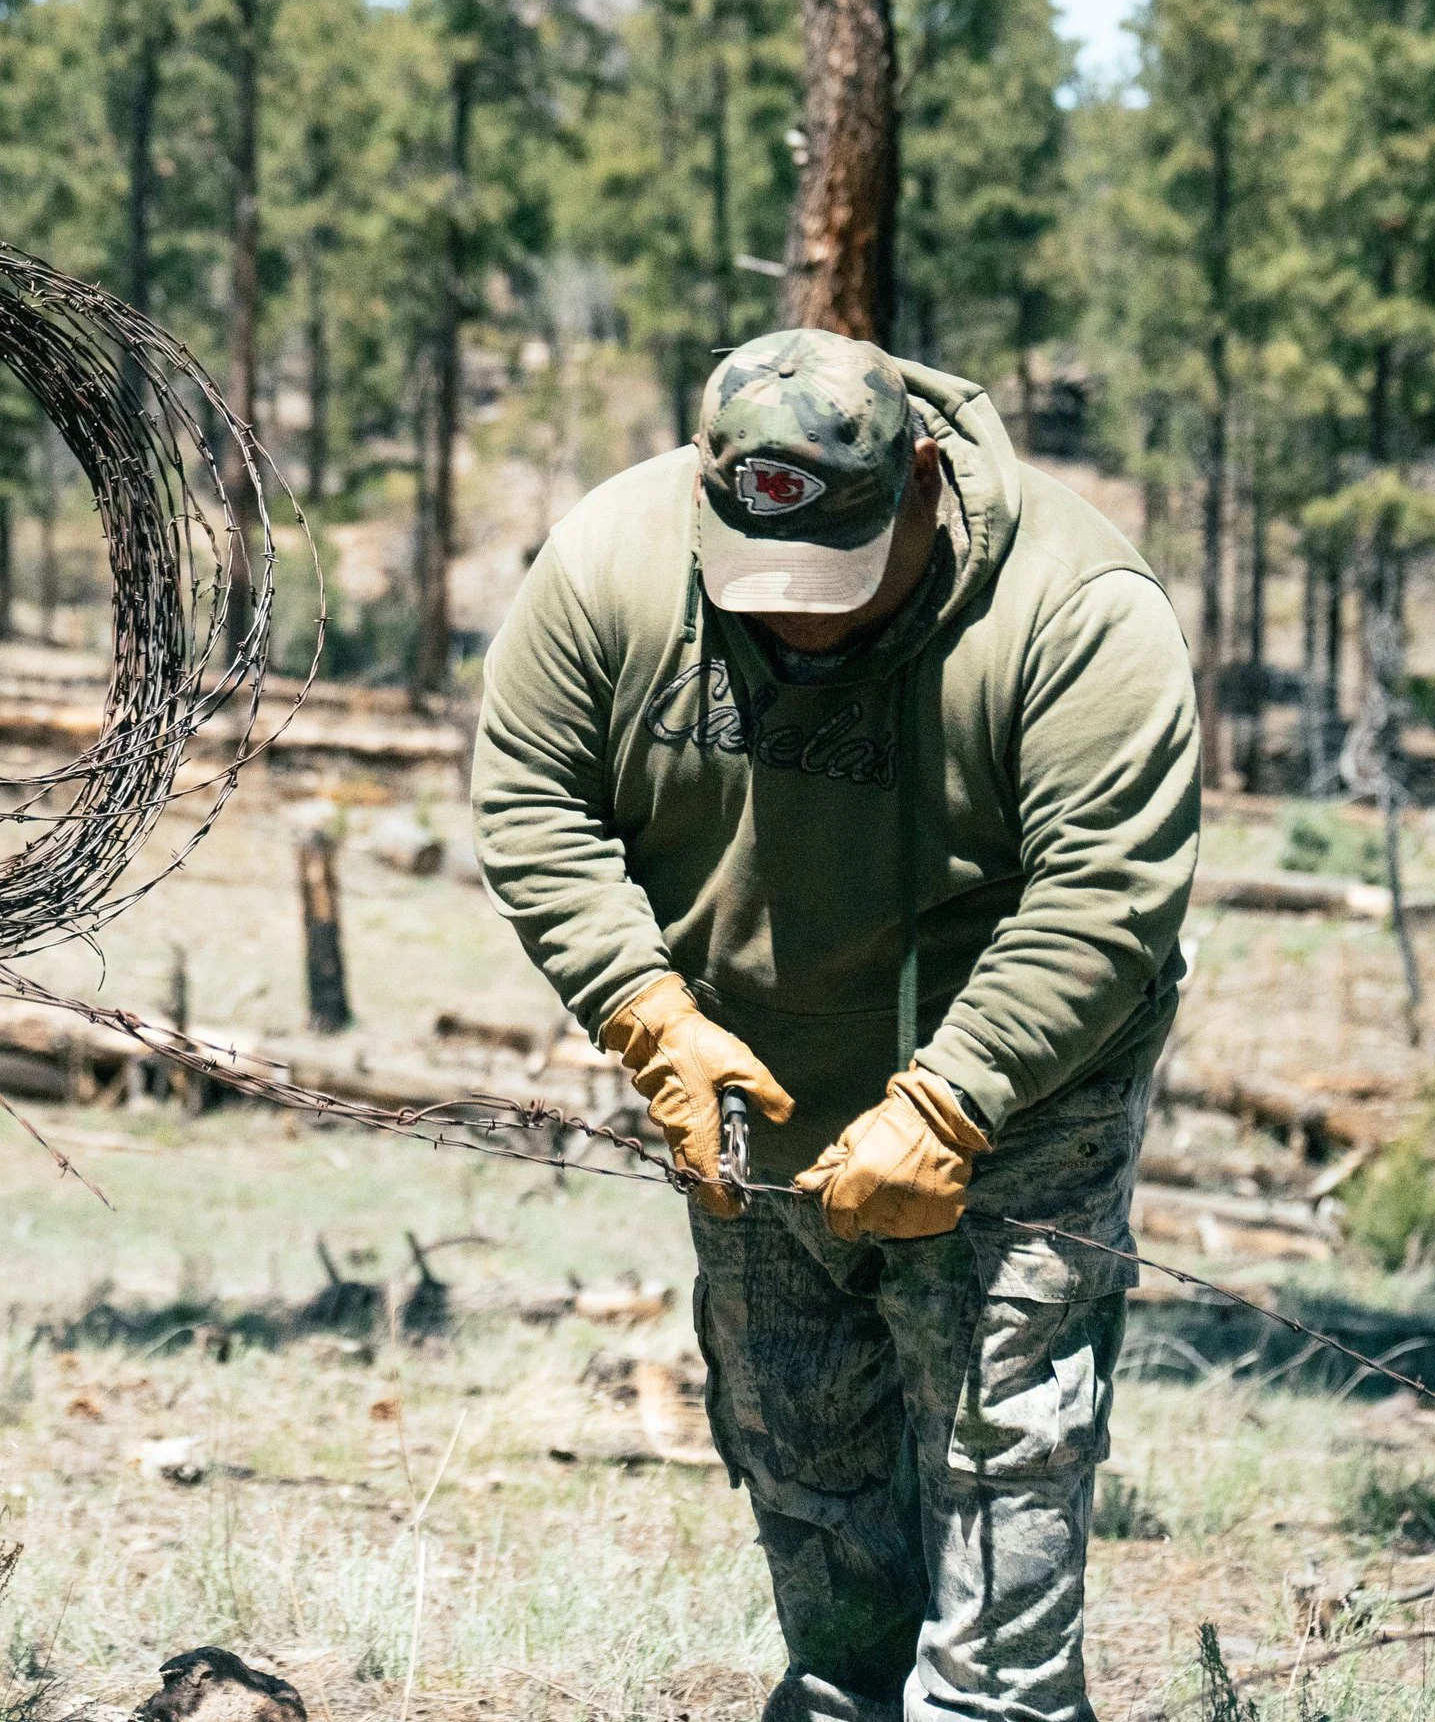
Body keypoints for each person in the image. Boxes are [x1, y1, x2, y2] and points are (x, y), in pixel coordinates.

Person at [473, 328, 1199, 1722]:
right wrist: (645, 1016)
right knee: (798, 1431)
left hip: (1021, 1094)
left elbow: (1109, 894)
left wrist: (952, 1100)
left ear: (923, 480)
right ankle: (848, 1691)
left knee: (1005, 1439)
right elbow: (532, 802)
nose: (800, 619)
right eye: (764, 584)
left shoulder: (1079, 608)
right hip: (753, 1086)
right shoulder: (610, 564)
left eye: (838, 582)